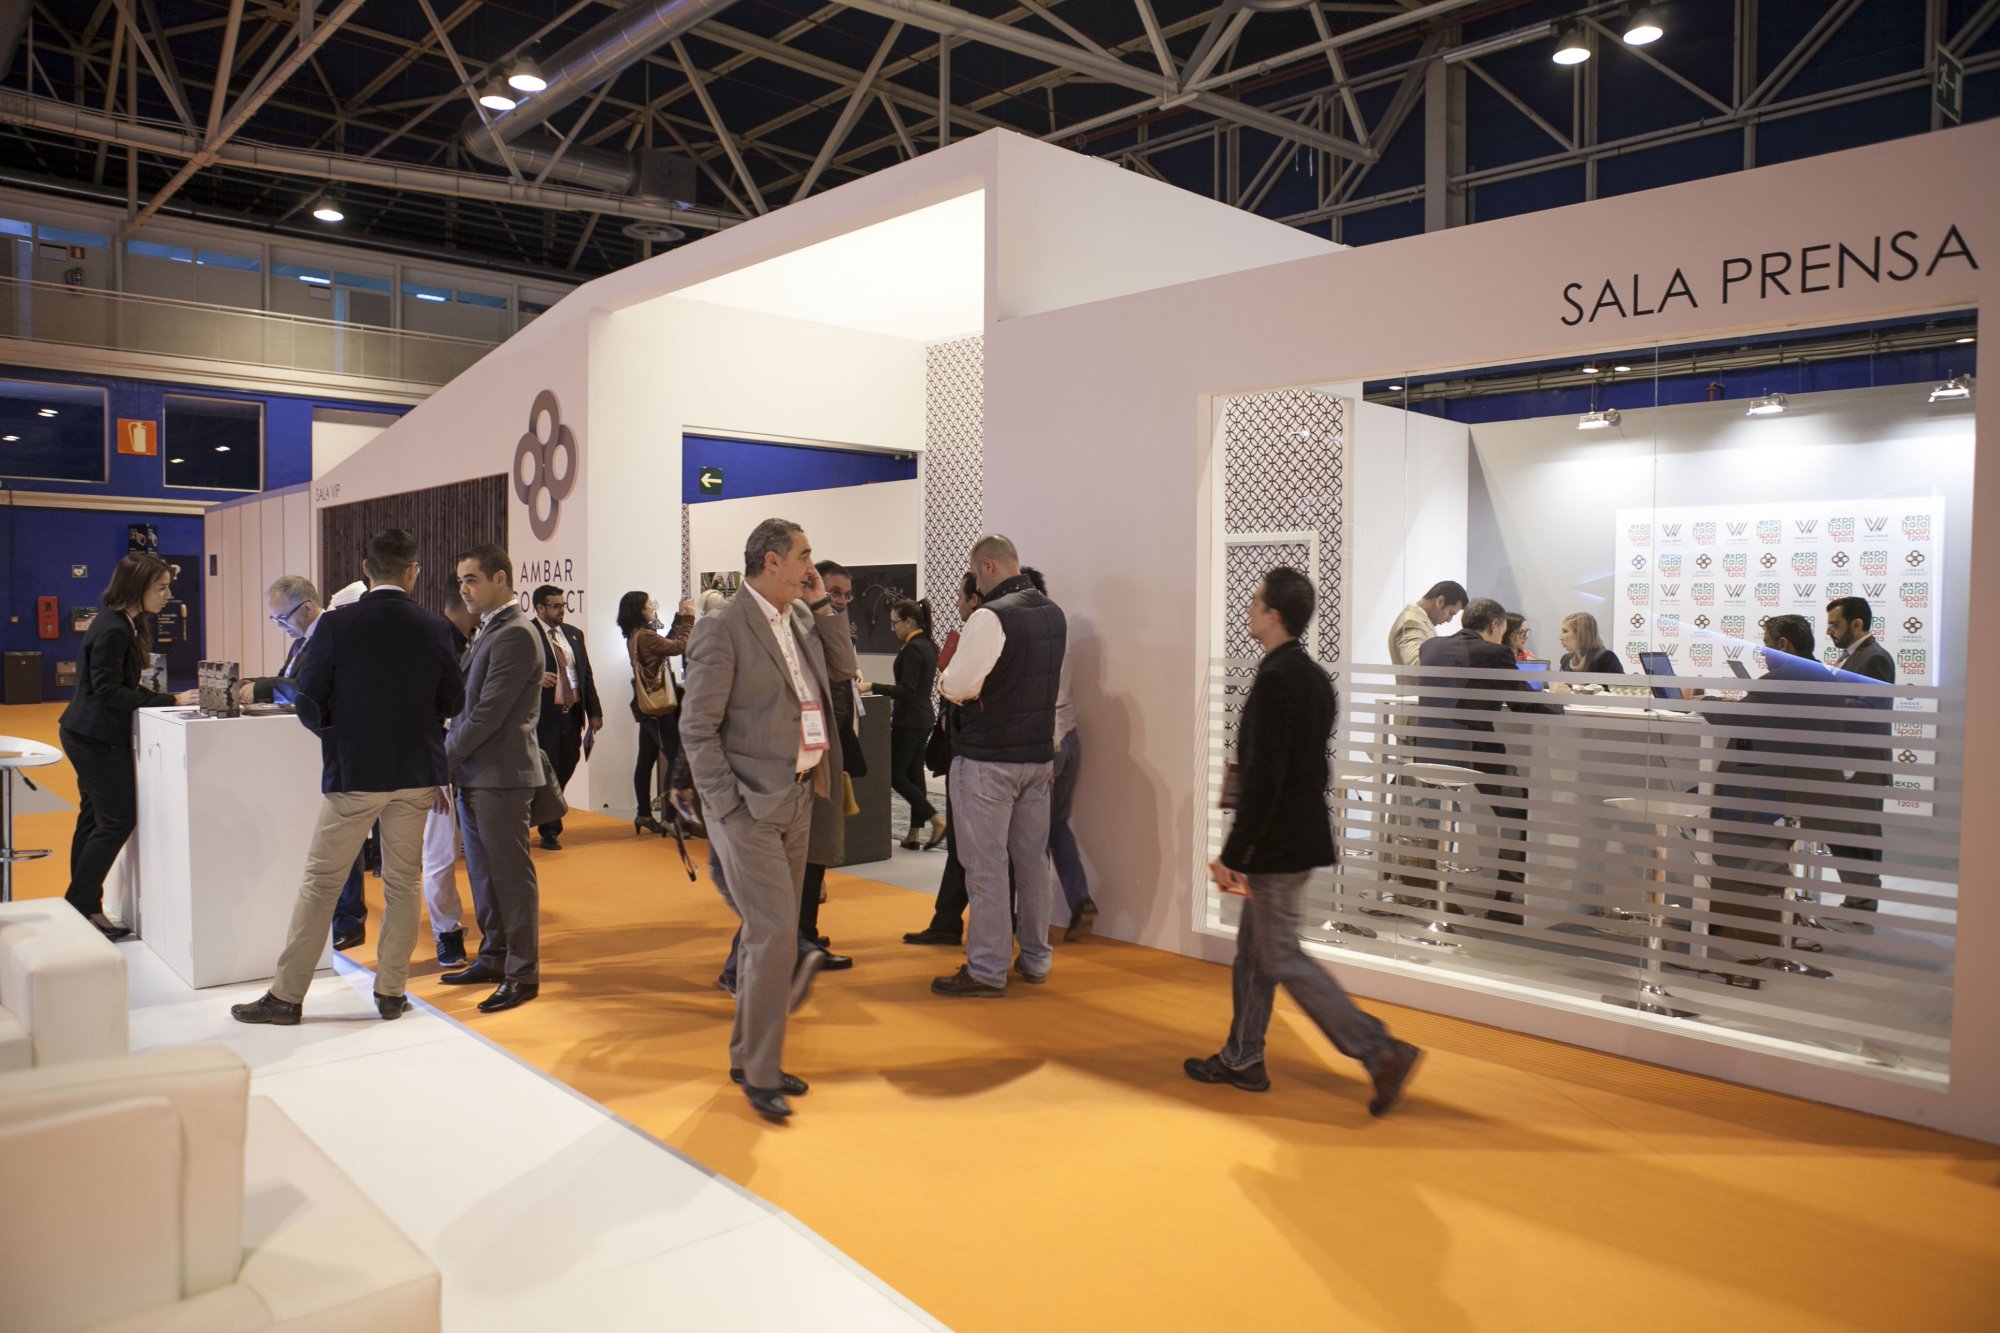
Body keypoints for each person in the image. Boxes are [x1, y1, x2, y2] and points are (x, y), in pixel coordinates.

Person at [1184, 567, 1422, 1116]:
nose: (1249, 608)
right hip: (1292, 837)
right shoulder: (1311, 676)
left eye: (1256, 602)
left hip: (1278, 845)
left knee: (1279, 954)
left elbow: (1266, 778)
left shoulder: (1276, 679)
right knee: (1254, 953)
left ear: (1274, 615)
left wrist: (1236, 854)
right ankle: (1243, 1057)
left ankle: (1378, 1049)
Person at [230, 530, 464, 1026]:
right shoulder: (434, 626)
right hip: (417, 772)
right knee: (403, 882)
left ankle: (287, 996)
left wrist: (339, 737)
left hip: (355, 773)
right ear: (412, 571)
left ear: (365, 568)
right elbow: (453, 700)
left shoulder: (338, 625)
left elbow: (308, 698)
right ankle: (391, 992)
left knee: (322, 883)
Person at [677, 518, 856, 1121]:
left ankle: (746, 1056)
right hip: (749, 806)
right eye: (804, 556)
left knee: (766, 936)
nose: (811, 566)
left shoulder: (800, 617)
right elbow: (697, 728)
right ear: (772, 561)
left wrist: (824, 604)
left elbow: (842, 667)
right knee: (777, 933)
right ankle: (761, 1071)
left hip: (799, 795)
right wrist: (727, 803)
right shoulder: (723, 627)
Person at [933, 533, 1065, 997]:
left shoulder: (990, 617)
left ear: (987, 566)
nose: (976, 583)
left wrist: (945, 679)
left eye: (975, 573)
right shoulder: (1053, 613)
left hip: (988, 759)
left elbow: (959, 687)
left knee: (986, 866)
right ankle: (1036, 957)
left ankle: (987, 968)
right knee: (1032, 863)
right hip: (1036, 758)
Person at [1706, 615, 1864, 968]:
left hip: (1792, 790)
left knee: (1720, 811)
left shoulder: (1783, 679)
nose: (1762, 653)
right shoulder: (1822, 674)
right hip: (1821, 787)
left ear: (1782, 645)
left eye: (1765, 645)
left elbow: (1734, 719)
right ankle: (1779, 911)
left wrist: (1699, 701)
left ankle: (1756, 913)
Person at [58, 554, 199, 937]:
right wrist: (170, 700)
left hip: (89, 732)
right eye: (161, 587)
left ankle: (83, 906)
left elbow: (116, 685)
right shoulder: (115, 628)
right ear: (138, 587)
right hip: (94, 736)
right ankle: (81, 903)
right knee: (116, 820)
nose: (168, 595)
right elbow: (108, 690)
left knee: (93, 819)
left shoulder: (125, 622)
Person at [440, 544, 546, 1014]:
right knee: (484, 875)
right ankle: (494, 956)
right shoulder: (491, 628)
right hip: (477, 772)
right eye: (461, 580)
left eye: (472, 579)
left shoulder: (516, 633)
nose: (463, 589)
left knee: (509, 877)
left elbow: (487, 714)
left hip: (501, 774)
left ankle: (522, 972)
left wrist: (442, 758)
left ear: (500, 578)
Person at [1416, 597, 1556, 924]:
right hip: (1470, 749)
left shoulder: (1430, 647)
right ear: (1494, 625)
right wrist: (1559, 699)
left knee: (1449, 815)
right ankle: (1504, 903)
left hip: (1429, 749)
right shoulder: (1495, 653)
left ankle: (1439, 894)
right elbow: (1524, 704)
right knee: (1517, 806)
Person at [903, 572, 984, 947]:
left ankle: (955, 925)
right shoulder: (960, 640)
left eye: (960, 597)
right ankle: (950, 921)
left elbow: (953, 689)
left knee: (971, 845)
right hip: (967, 751)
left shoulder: (980, 638)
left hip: (970, 754)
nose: (956, 603)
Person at [1820, 595, 1895, 925]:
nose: (1829, 631)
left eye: (1834, 625)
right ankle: (1857, 899)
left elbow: (1871, 707)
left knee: (1862, 833)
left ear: (1857, 624)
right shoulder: (1849, 657)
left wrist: (1825, 702)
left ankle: (1863, 904)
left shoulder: (1874, 658)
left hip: (1863, 760)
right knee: (1845, 831)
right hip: (1847, 759)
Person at [423, 597, 482, 968]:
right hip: (433, 759)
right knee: (440, 851)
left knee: (443, 851)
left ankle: (449, 931)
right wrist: (436, 766)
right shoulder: (435, 640)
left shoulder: (472, 638)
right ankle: (446, 933)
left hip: (456, 758)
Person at [865, 597, 944, 850]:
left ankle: (936, 819)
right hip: (923, 719)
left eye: (894, 623)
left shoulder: (913, 649)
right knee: (914, 774)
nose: (892, 628)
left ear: (909, 622)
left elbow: (906, 690)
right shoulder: (928, 645)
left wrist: (872, 686)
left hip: (909, 720)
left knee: (895, 775)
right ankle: (913, 834)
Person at [529, 584, 601, 850]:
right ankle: (550, 829)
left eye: (563, 605)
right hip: (543, 717)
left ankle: (545, 815)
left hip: (572, 715)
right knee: (546, 771)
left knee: (567, 764)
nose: (562, 610)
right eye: (556, 606)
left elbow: (586, 674)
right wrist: (535, 677)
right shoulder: (526, 633)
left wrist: (595, 712)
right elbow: (511, 671)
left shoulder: (573, 634)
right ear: (540, 608)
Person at [618, 590, 695, 836]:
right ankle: (670, 819)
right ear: (641, 611)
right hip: (658, 707)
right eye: (650, 604)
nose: (653, 608)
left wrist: (680, 616)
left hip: (647, 706)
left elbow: (666, 644)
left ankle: (643, 813)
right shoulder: (646, 637)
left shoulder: (636, 635)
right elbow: (680, 646)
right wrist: (690, 618)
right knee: (677, 759)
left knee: (646, 760)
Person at [237, 575, 323, 705]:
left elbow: (309, 688)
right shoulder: (303, 637)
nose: (279, 626)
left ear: (307, 608)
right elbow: (285, 680)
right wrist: (250, 683)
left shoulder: (329, 635)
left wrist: (260, 689)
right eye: (275, 619)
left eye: (283, 618)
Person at [1387, 580, 1468, 667]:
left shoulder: (1415, 620)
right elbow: (1416, 665)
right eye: (1451, 613)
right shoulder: (1411, 622)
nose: (1449, 620)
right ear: (1440, 601)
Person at [1554, 611, 1624, 675]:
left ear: (1581, 634)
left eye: (1565, 631)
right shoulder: (1565, 660)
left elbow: (1620, 684)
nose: (1560, 638)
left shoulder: (1606, 657)